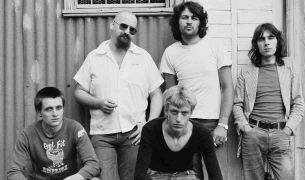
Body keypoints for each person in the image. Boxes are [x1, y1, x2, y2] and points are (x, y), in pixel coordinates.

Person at [73, 11, 164, 180]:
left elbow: (157, 94)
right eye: (123, 26)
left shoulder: (143, 57)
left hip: (134, 134)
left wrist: (149, 124)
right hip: (102, 135)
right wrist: (98, 103)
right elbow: (78, 91)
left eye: (132, 29)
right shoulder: (95, 57)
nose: (127, 31)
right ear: (112, 25)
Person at [159, 1, 233, 179]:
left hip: (212, 123)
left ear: (201, 22)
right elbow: (170, 95)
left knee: (217, 174)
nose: (189, 21)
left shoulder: (215, 47)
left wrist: (223, 124)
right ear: (178, 22)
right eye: (184, 17)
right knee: (189, 175)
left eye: (194, 18)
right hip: (184, 122)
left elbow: (228, 87)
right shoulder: (170, 53)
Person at [233, 23, 304, 180]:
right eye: (261, 39)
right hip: (253, 133)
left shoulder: (289, 68)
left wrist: (288, 129)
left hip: (281, 133)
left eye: (270, 38)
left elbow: (298, 103)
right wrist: (245, 128)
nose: (266, 42)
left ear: (277, 41)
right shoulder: (246, 71)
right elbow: (237, 104)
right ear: (256, 44)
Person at [7, 87, 100, 180]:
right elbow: (14, 172)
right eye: (49, 109)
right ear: (39, 112)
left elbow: (93, 164)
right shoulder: (28, 134)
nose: (55, 113)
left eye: (59, 108)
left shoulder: (75, 128)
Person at [134, 85, 223, 180]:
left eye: (184, 113)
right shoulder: (151, 129)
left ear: (191, 113)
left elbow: (215, 174)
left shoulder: (202, 133)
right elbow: (140, 175)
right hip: (156, 175)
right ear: (166, 111)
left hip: (186, 176)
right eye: (174, 112)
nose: (179, 119)